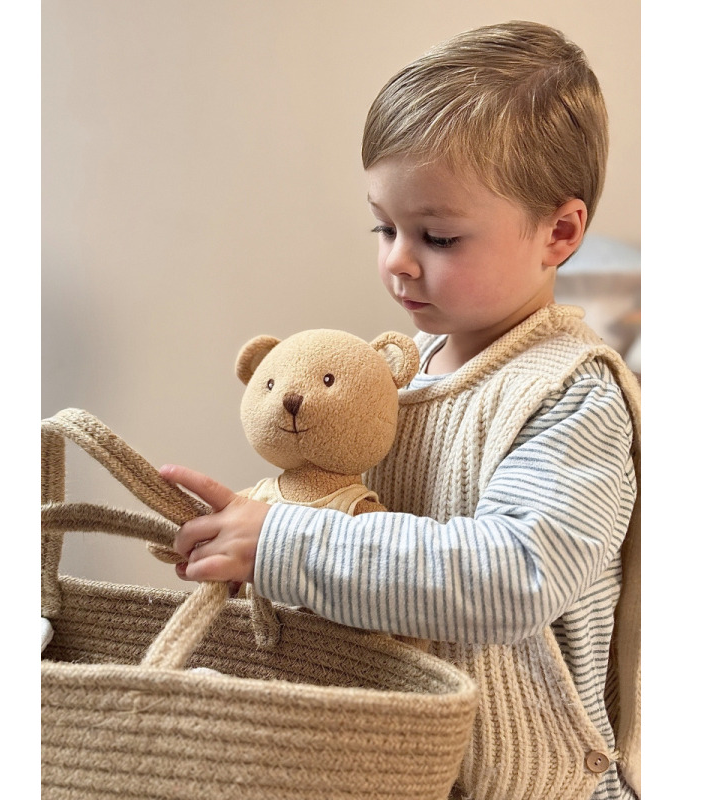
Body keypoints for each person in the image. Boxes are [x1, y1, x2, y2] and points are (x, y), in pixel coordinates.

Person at [160, 20, 641, 800]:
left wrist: (286, 544)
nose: (397, 261)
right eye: (384, 227)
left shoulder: (572, 394)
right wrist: (259, 533)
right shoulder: (403, 372)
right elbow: (372, 538)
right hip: (405, 761)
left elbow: (514, 574)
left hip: (531, 782)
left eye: (438, 237)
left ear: (559, 232)